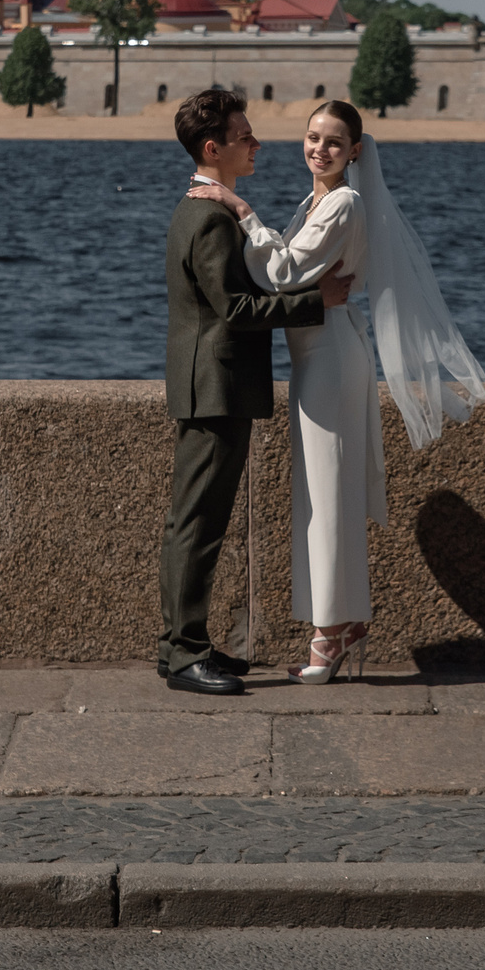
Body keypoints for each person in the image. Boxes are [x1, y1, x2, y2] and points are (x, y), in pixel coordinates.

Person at [193, 100, 485, 683]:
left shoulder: (345, 203)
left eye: (333, 142)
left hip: (329, 358)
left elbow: (282, 272)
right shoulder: (317, 202)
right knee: (326, 493)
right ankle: (345, 621)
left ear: (355, 151)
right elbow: (287, 269)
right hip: (321, 354)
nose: (318, 149)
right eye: (311, 137)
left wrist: (239, 206)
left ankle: (327, 638)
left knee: (326, 496)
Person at [161, 86, 350, 696]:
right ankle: (184, 653)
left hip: (212, 384)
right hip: (213, 385)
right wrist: (312, 301)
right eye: (246, 137)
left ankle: (185, 646)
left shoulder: (209, 208)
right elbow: (237, 309)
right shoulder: (210, 217)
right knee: (197, 523)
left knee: (199, 519)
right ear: (214, 149)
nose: (257, 144)